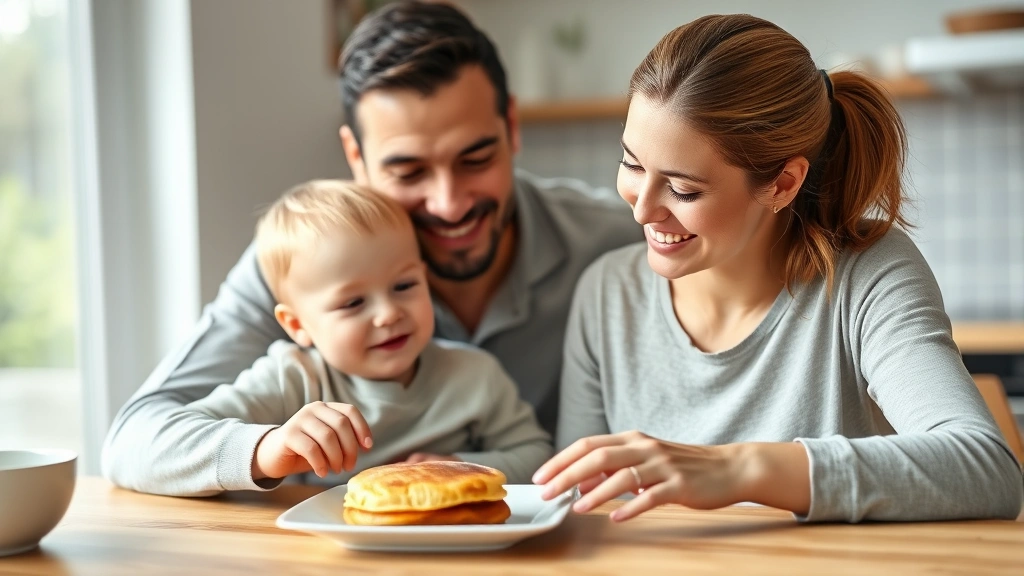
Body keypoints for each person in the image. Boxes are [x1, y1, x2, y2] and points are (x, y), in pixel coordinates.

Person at [102, 1, 640, 489]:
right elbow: (133, 441)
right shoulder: (301, 268)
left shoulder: (619, 243)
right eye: (408, 172)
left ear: (512, 128)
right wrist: (265, 446)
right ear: (355, 158)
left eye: (475, 159)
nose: (449, 204)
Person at [532, 14, 1024, 523]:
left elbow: (986, 467)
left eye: (683, 190)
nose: (641, 209)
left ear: (783, 184)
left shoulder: (866, 275)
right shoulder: (607, 293)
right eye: (632, 164)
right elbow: (580, 504)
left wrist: (738, 469)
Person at [109, 180, 552, 496]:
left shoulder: (474, 375)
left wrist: (463, 469)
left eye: (404, 286)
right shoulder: (292, 379)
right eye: (352, 304)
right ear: (297, 325)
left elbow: (536, 454)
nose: (388, 314)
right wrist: (267, 448)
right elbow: (158, 447)